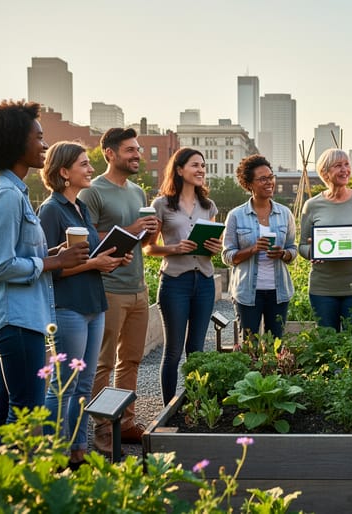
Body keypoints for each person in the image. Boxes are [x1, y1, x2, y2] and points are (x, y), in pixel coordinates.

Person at [0, 101, 88, 462]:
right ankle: (11, 492)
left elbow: (16, 253)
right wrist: (54, 261)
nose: (44, 145)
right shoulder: (5, 194)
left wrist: (53, 253)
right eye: (38, 137)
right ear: (14, 141)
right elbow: (0, 265)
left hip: (17, 317)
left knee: (6, 414)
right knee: (23, 415)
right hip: (15, 318)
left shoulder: (9, 189)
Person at [37, 142, 128, 468]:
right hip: (68, 307)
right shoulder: (50, 210)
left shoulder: (80, 209)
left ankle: (77, 449)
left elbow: (86, 257)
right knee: (62, 385)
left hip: (93, 303)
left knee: (84, 384)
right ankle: (54, 456)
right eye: (84, 164)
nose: (91, 169)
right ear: (64, 172)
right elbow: (51, 266)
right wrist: (94, 264)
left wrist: (109, 260)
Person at [78, 128, 158, 454]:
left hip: (138, 287)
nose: (136, 155)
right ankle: (102, 432)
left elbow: (142, 244)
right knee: (103, 363)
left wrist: (151, 232)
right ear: (109, 153)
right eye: (129, 150)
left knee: (131, 360)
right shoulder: (92, 193)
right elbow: (85, 239)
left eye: (138, 150)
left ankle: (125, 424)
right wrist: (132, 229)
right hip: (108, 288)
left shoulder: (138, 193)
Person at [143, 148, 222, 405]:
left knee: (197, 351)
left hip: (205, 281)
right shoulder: (161, 205)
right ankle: (168, 409)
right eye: (195, 165)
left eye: (203, 166)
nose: (201, 170)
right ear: (179, 170)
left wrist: (215, 248)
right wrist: (174, 248)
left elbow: (214, 245)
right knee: (174, 351)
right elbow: (149, 247)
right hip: (175, 282)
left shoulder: (209, 206)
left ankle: (195, 405)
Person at [298, 149, 352, 331]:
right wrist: (312, 252)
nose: (345, 169)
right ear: (325, 173)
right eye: (338, 166)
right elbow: (302, 246)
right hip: (322, 289)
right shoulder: (312, 205)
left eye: (347, 164)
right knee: (328, 345)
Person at [222, 155, 297, 342]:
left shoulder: (284, 214)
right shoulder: (236, 216)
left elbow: (292, 249)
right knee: (249, 345)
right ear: (249, 184)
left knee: (276, 344)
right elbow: (227, 256)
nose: (269, 182)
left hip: (278, 292)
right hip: (247, 292)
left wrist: (283, 254)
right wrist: (252, 249)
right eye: (262, 179)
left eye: (271, 177)